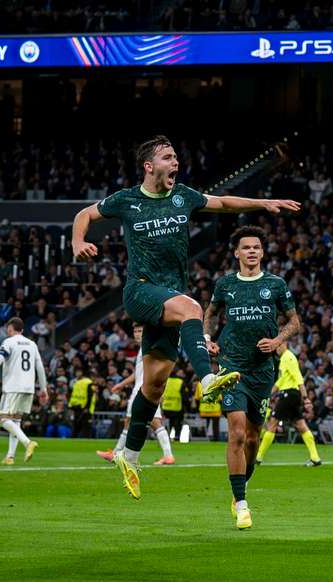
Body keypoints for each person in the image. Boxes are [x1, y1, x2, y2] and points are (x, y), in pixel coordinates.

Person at [71, 135, 300, 499]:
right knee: (193, 308)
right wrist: (77, 242)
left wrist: (263, 202)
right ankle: (209, 378)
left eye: (176, 156)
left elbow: (223, 202)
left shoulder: (183, 197)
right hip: (141, 290)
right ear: (149, 166)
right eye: (167, 157)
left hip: (169, 303)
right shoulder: (127, 200)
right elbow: (85, 214)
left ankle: (128, 455)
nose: (175, 162)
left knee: (154, 385)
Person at [203, 225, 301, 530]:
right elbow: (210, 313)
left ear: (262, 252)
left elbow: (294, 321)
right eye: (246, 247)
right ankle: (242, 504)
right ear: (237, 253)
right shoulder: (225, 285)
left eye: (256, 247)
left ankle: (239, 489)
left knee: (254, 438)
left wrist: (276, 341)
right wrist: (207, 337)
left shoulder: (275, 284)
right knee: (237, 431)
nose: (252, 251)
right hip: (231, 367)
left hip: (262, 371)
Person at [96, 325, 175, 465]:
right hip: (142, 388)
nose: (137, 334)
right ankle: (167, 455)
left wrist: (161, 389)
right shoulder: (143, 348)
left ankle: (115, 453)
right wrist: (121, 385)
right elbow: (137, 374)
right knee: (148, 422)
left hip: (145, 389)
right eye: (135, 331)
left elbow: (163, 369)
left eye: (140, 331)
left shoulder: (151, 346)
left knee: (143, 421)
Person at [0, 317, 47, 465]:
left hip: (13, 386)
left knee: (2, 419)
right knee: (15, 421)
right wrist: (44, 388)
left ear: (10, 328)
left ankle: (27, 442)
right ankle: (10, 456)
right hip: (28, 388)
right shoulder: (32, 344)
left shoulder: (9, 342)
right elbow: (39, 367)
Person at [256, 342, 323, 467]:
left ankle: (258, 457)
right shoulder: (284, 359)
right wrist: (269, 394)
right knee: (301, 425)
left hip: (290, 395)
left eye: (277, 346)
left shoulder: (289, 357)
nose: (275, 349)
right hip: (291, 395)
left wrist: (306, 398)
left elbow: (298, 378)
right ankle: (315, 458)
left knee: (272, 423)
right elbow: (281, 381)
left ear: (283, 344)